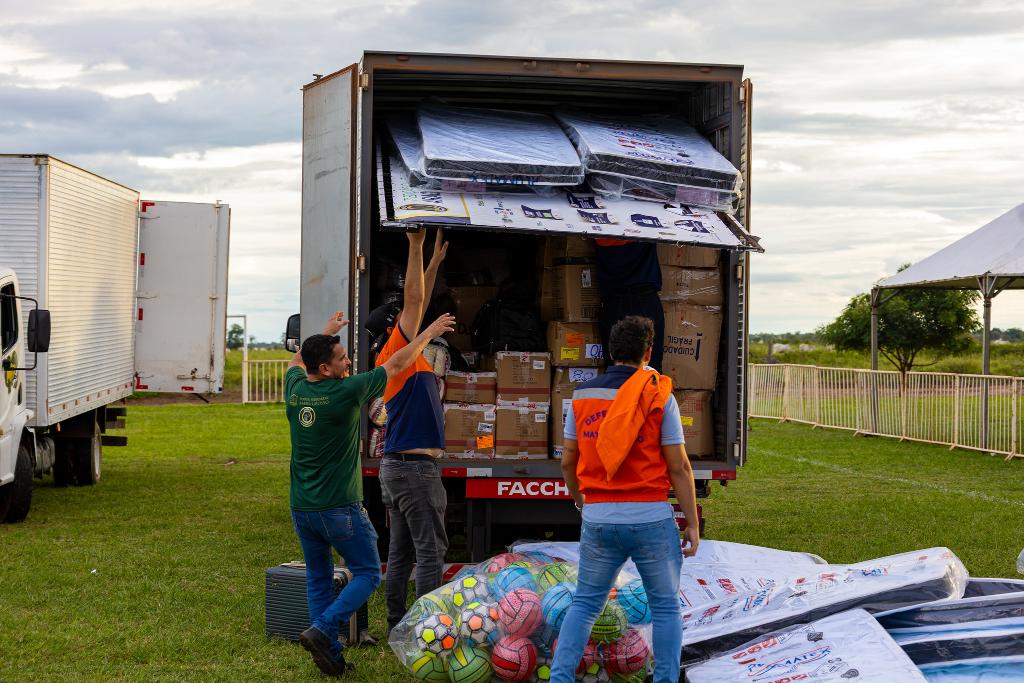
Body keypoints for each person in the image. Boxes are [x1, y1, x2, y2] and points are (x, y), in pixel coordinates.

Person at [286, 308, 455, 678]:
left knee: (318, 576)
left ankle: (328, 653)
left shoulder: (296, 389)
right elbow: (395, 364)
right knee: (366, 572)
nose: (349, 361)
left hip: (302, 506)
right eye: (342, 358)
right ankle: (323, 629)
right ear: (327, 370)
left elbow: (296, 361)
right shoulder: (346, 391)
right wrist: (427, 334)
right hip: (339, 507)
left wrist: (326, 332)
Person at [550, 315, 700, 683]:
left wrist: (581, 502)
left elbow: (569, 460)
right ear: (648, 352)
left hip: (599, 517)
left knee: (585, 605)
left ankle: (559, 679)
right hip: (650, 516)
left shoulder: (582, 396)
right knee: (665, 608)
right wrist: (692, 522)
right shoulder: (658, 393)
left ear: (611, 351)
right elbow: (679, 466)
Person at [366, 229, 453, 635]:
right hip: (415, 471)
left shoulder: (400, 358)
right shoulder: (395, 356)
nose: (411, 319)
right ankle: (428, 629)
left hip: (398, 467)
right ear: (393, 329)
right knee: (430, 551)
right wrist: (415, 247)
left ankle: (397, 623)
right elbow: (416, 305)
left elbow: (420, 301)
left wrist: (432, 265)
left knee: (400, 553)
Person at [593, 239, 665, 371]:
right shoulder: (645, 223)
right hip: (643, 297)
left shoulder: (599, 225)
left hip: (614, 301)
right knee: (651, 368)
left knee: (616, 366)